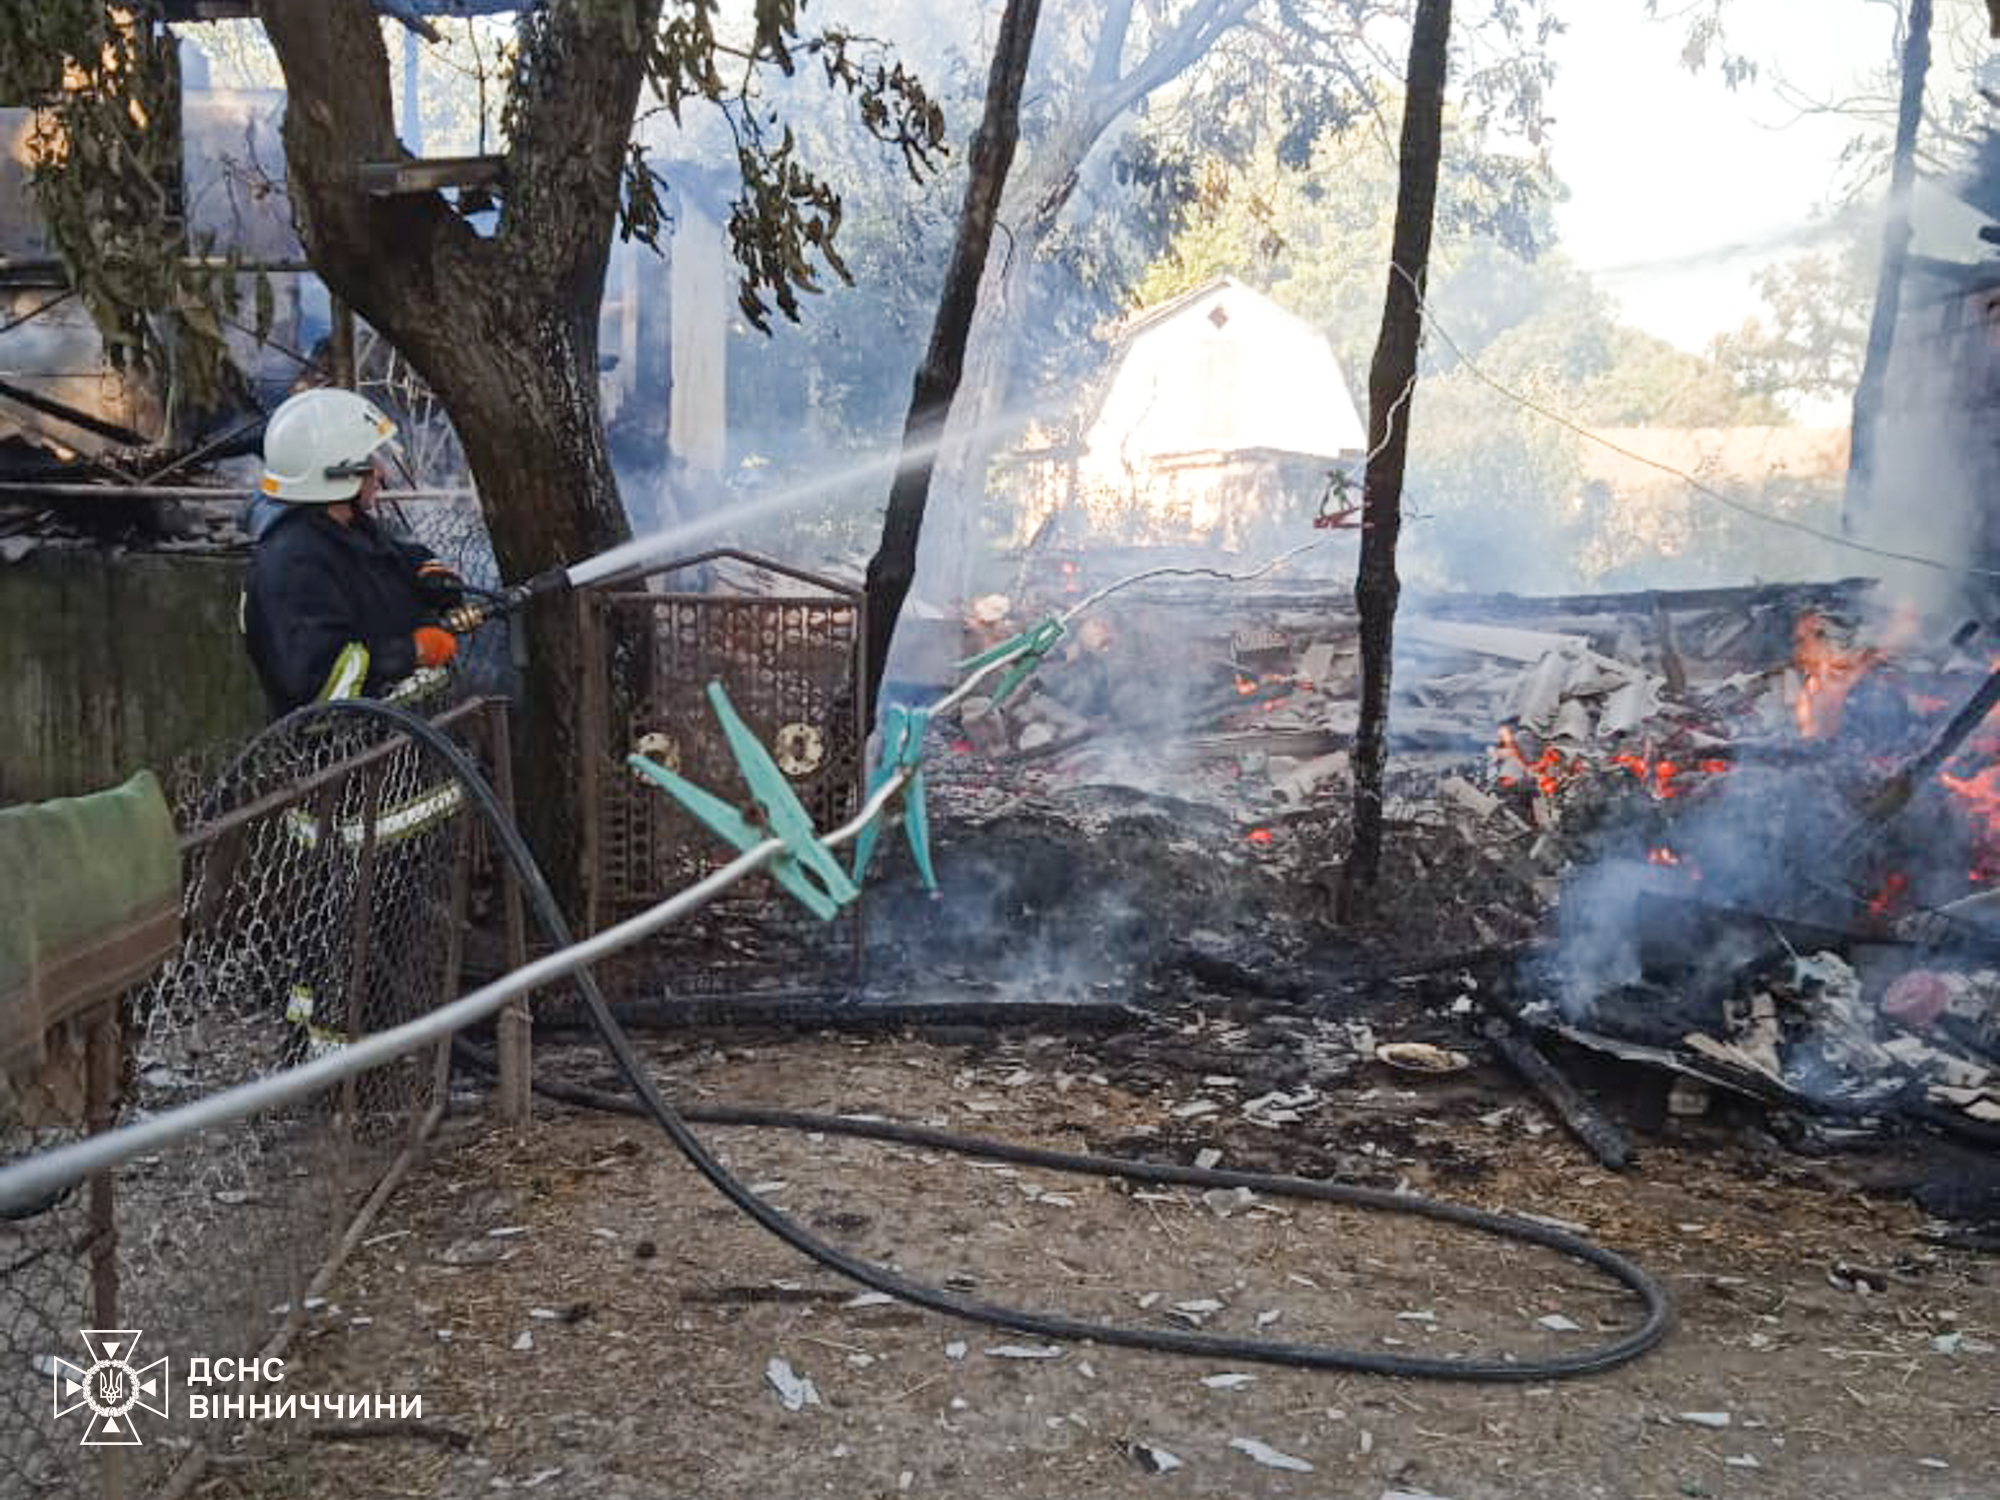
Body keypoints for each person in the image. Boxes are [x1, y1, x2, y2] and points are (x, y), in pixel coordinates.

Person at [242, 387, 466, 718]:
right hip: (342, 756)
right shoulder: (292, 565)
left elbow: (393, 558)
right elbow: (318, 681)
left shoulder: (347, 527)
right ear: (335, 472)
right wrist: (413, 651)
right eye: (368, 462)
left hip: (395, 741)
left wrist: (426, 568)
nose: (381, 473)